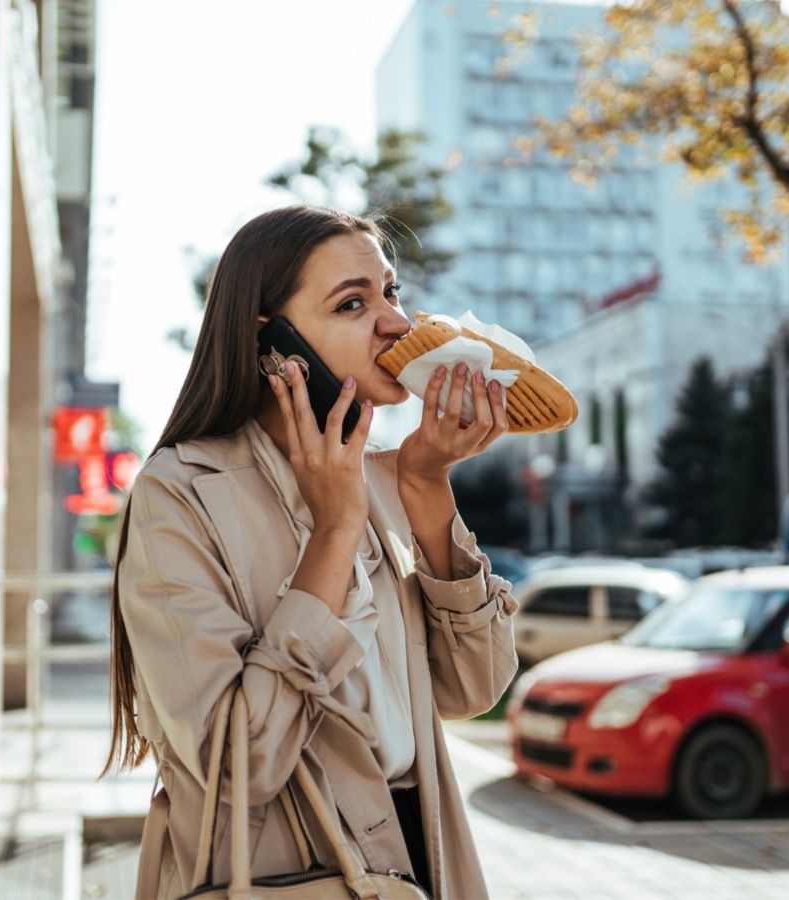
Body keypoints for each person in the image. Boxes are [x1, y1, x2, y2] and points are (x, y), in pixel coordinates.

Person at [103, 205, 518, 899]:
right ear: (273, 342)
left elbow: (472, 688)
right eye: (353, 303)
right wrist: (332, 535)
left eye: (392, 292)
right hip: (287, 873)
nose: (397, 324)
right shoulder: (180, 494)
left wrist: (425, 485)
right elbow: (239, 766)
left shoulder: (388, 476)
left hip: (424, 859)